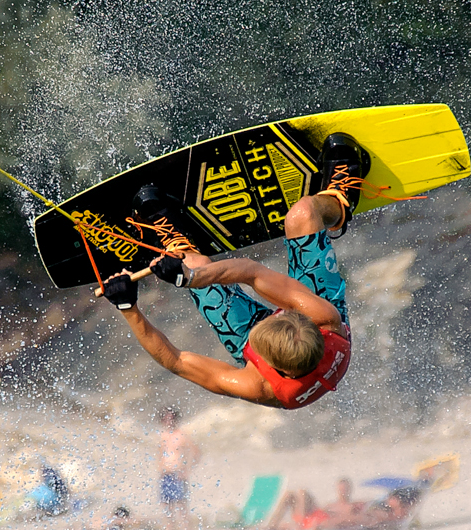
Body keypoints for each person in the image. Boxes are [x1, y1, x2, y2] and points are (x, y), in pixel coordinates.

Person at [99, 134, 367, 409]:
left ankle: (180, 245)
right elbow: (251, 273)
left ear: (275, 367)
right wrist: (186, 280)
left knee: (197, 267)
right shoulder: (323, 317)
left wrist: (127, 306)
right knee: (303, 214)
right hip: (315, 320)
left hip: (274, 351)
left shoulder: (257, 384)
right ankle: (340, 202)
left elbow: (176, 361)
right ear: (301, 318)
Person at [155, 409, 201, 530]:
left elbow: (196, 452)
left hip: (177, 475)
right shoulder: (161, 435)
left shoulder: (181, 435)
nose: (169, 421)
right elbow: (159, 455)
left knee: (182, 512)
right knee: (168, 513)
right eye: (166, 418)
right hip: (165, 476)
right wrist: (160, 469)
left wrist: (186, 470)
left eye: (171, 418)